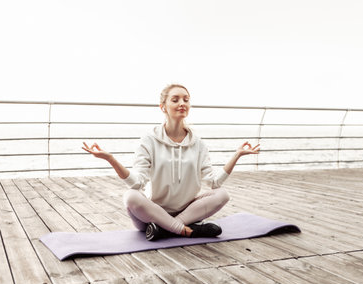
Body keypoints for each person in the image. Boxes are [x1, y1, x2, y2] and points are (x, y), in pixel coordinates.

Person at [82, 84, 260, 241]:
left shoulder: (198, 144)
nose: (182, 103)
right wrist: (110, 159)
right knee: (130, 196)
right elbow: (137, 183)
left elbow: (214, 183)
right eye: (175, 100)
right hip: (152, 215)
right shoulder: (148, 140)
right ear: (163, 107)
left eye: (186, 100)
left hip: (187, 213)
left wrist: (237, 156)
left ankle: (169, 229)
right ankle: (184, 231)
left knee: (223, 194)